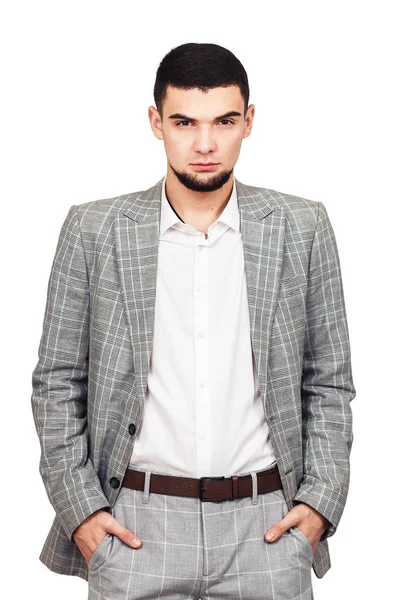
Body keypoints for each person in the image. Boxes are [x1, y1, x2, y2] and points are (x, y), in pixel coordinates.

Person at [31, 42, 356, 600]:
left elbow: (327, 378)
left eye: (224, 121)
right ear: (156, 123)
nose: (205, 144)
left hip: (268, 531)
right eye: (184, 122)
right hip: (134, 527)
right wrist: (82, 512)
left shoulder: (302, 227)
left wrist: (318, 506)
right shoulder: (93, 229)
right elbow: (57, 381)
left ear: (248, 122)